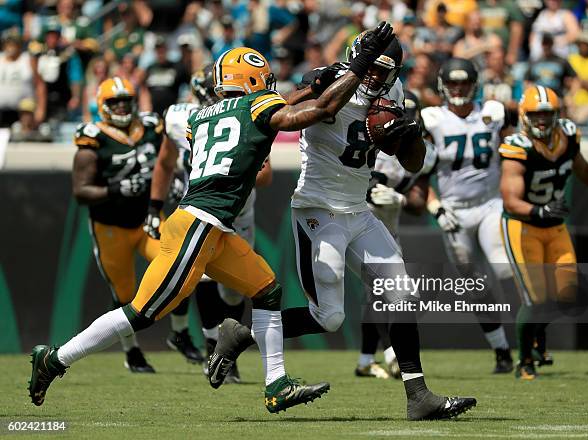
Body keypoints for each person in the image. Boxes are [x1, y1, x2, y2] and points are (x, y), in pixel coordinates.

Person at [28, 21, 396, 413]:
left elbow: (268, 105)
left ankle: (276, 384)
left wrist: (307, 86)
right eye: (264, 80)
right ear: (255, 78)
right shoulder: (256, 107)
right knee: (141, 313)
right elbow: (315, 110)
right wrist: (358, 66)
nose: (270, 87)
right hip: (200, 224)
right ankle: (55, 359)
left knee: (266, 289)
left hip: (211, 226)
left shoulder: (201, 117)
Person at [209, 33, 477, 421]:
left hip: (359, 209)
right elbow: (285, 109)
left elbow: (414, 163)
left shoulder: (394, 91)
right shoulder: (327, 78)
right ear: (357, 59)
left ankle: (418, 396)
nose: (373, 77)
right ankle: (242, 334)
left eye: (383, 71)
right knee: (329, 318)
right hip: (318, 209)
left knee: (401, 295)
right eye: (368, 66)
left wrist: (409, 133)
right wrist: (327, 84)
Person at [144, 65, 272, 384]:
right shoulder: (180, 119)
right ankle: (213, 348)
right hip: (203, 210)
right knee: (198, 277)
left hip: (239, 213)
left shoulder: (249, 113)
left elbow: (266, 175)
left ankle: (224, 351)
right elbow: (164, 162)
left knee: (233, 293)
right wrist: (154, 206)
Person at [70, 77, 202, 373]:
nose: (120, 106)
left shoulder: (151, 127)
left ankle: (179, 332)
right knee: (125, 296)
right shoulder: (93, 138)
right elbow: (81, 191)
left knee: (182, 266)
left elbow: (172, 157)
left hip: (148, 219)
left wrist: (174, 181)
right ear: (102, 106)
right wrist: (116, 189)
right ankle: (132, 352)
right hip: (110, 227)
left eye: (125, 100)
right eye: (113, 102)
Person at [498, 85, 588, 379]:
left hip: (555, 226)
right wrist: (540, 211)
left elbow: (581, 167)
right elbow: (510, 200)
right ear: (524, 116)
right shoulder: (518, 146)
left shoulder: (568, 135)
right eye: (536, 115)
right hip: (522, 226)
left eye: (547, 115)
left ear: (557, 115)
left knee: (567, 293)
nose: (542, 121)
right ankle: (524, 361)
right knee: (534, 299)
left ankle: (537, 337)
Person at [421, 58, 515, 374]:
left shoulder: (493, 114)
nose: (458, 89)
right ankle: (502, 350)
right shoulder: (432, 120)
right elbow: (416, 174)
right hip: (454, 210)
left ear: (474, 83)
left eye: (464, 83)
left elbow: (517, 155)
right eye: (453, 83)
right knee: (474, 284)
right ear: (442, 86)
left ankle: (532, 344)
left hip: (490, 205)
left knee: (504, 270)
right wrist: (435, 206)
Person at [355, 91, 434, 380]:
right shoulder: (366, 140)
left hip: (389, 228)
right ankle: (391, 354)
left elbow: (418, 205)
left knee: (386, 294)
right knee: (376, 293)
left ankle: (366, 360)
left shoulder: (424, 154)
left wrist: (399, 199)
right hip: (358, 222)